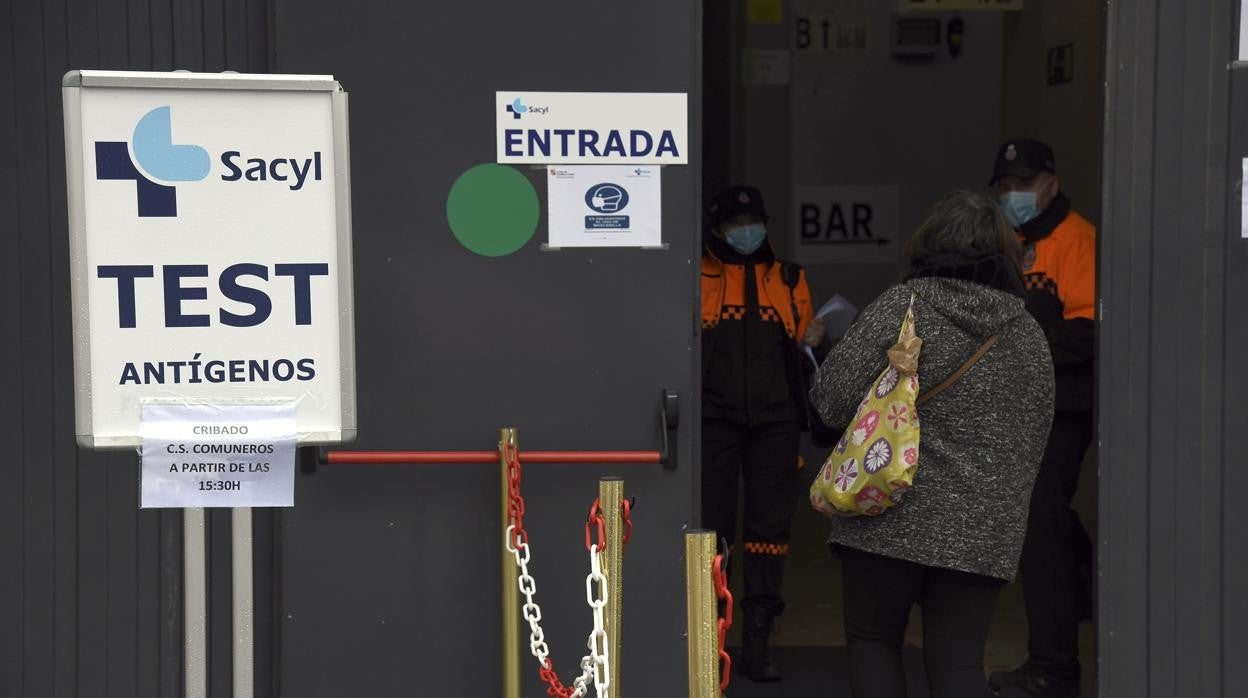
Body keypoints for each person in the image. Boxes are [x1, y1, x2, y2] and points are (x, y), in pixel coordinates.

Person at [810, 191, 1055, 698]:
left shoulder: (905, 308)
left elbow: (830, 403)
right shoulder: (1027, 333)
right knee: (960, 668)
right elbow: (1035, 435)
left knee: (874, 641)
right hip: (981, 532)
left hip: (886, 512)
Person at [700, 185, 825, 682]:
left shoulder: (791, 278)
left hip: (775, 423)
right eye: (736, 225)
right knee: (712, 532)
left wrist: (817, 337)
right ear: (717, 229)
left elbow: (804, 352)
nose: (747, 233)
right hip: (715, 421)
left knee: (769, 533)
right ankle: (710, 643)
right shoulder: (698, 275)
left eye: (754, 223)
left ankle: (756, 642)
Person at [986, 140, 1097, 698]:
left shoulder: (1076, 240)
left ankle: (1054, 669)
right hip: (1022, 406)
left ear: (1050, 184)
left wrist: (1022, 344)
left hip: (1063, 408)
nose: (1013, 195)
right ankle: (1084, 579)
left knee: (1038, 529)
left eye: (1023, 185)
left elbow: (1088, 334)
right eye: (1004, 186)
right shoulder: (1012, 243)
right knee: (1044, 522)